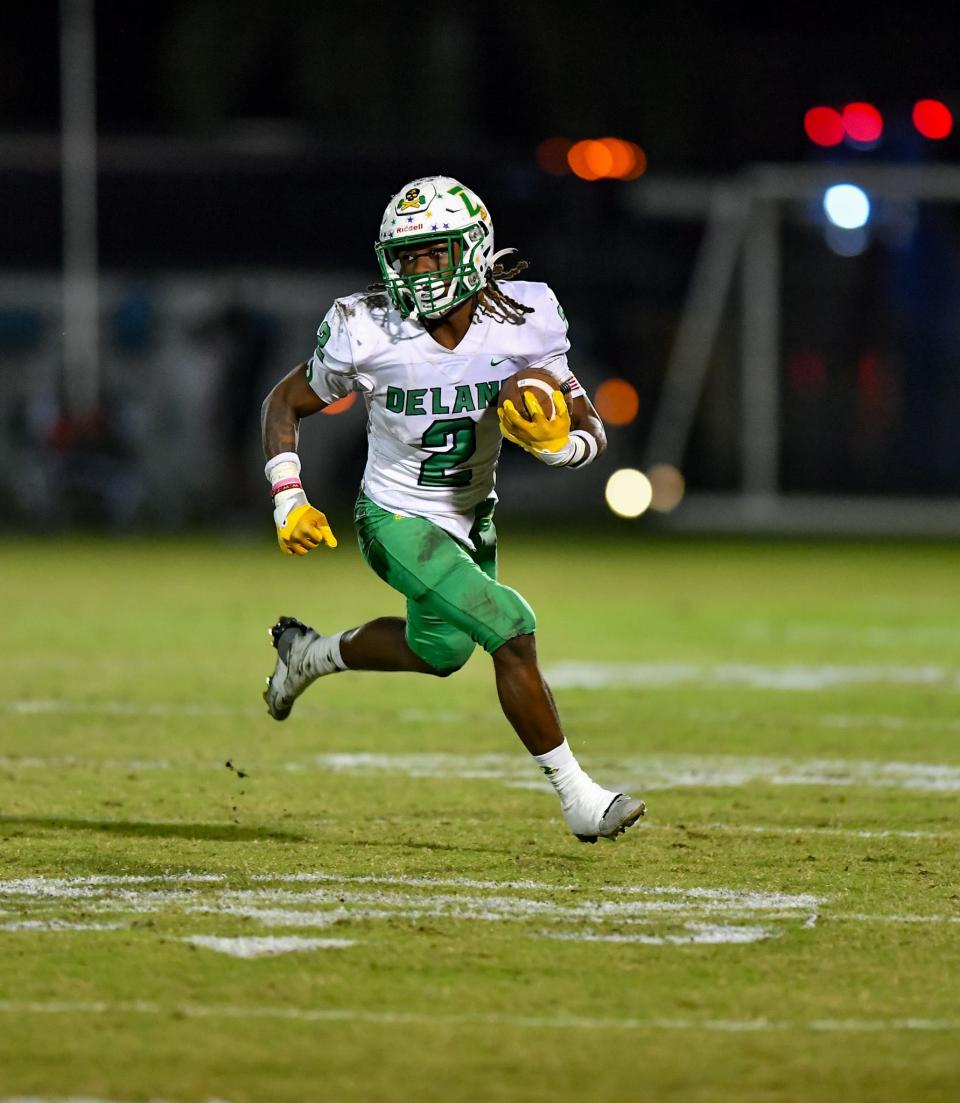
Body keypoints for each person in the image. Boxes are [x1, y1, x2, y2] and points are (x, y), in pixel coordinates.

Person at [259, 175, 644, 843]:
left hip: (471, 517)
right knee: (512, 627)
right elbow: (284, 402)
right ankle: (580, 799)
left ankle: (308, 655)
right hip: (394, 519)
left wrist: (563, 450)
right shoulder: (366, 327)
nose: (420, 270)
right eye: (407, 257)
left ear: (473, 248)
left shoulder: (527, 316)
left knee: (437, 650)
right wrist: (288, 497)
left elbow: (589, 422)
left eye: (433, 252)